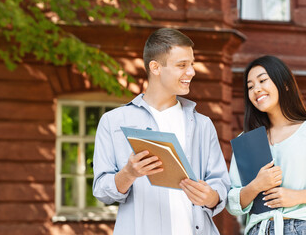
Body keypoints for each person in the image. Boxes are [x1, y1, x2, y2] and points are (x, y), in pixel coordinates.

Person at [92, 28, 230, 235]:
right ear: (155, 67)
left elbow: (220, 184)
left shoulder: (203, 124)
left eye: (192, 64)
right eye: (182, 65)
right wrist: (128, 174)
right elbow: (102, 190)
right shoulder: (114, 122)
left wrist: (211, 197)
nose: (191, 72)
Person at [226, 55, 306, 235]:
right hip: (258, 230)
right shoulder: (247, 140)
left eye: (262, 80)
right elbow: (232, 203)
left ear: (285, 84)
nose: (256, 89)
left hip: (304, 228)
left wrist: (296, 197)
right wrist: (256, 185)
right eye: (250, 86)